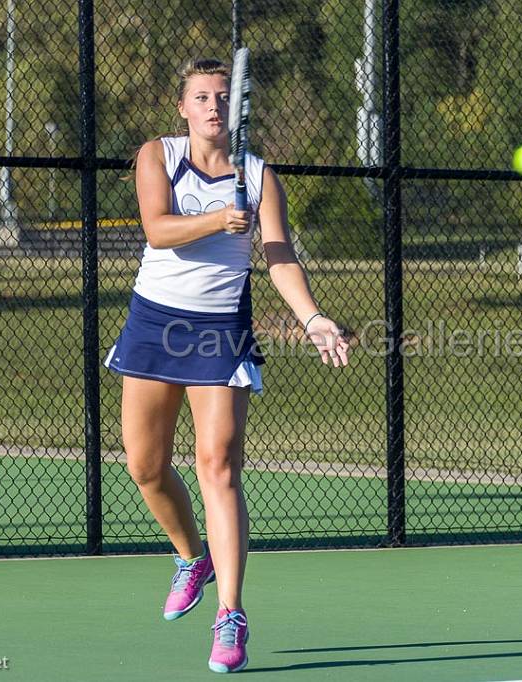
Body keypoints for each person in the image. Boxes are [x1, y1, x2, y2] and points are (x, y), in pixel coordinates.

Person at [103, 57, 351, 674]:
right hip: (155, 321)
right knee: (145, 466)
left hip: (220, 333)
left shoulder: (261, 176)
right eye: (202, 97)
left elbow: (278, 255)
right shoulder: (156, 156)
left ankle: (231, 614)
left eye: (222, 97)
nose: (214, 106)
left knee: (218, 465)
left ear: (235, 109)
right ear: (182, 107)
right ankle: (193, 556)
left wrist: (312, 317)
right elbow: (157, 229)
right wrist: (217, 218)